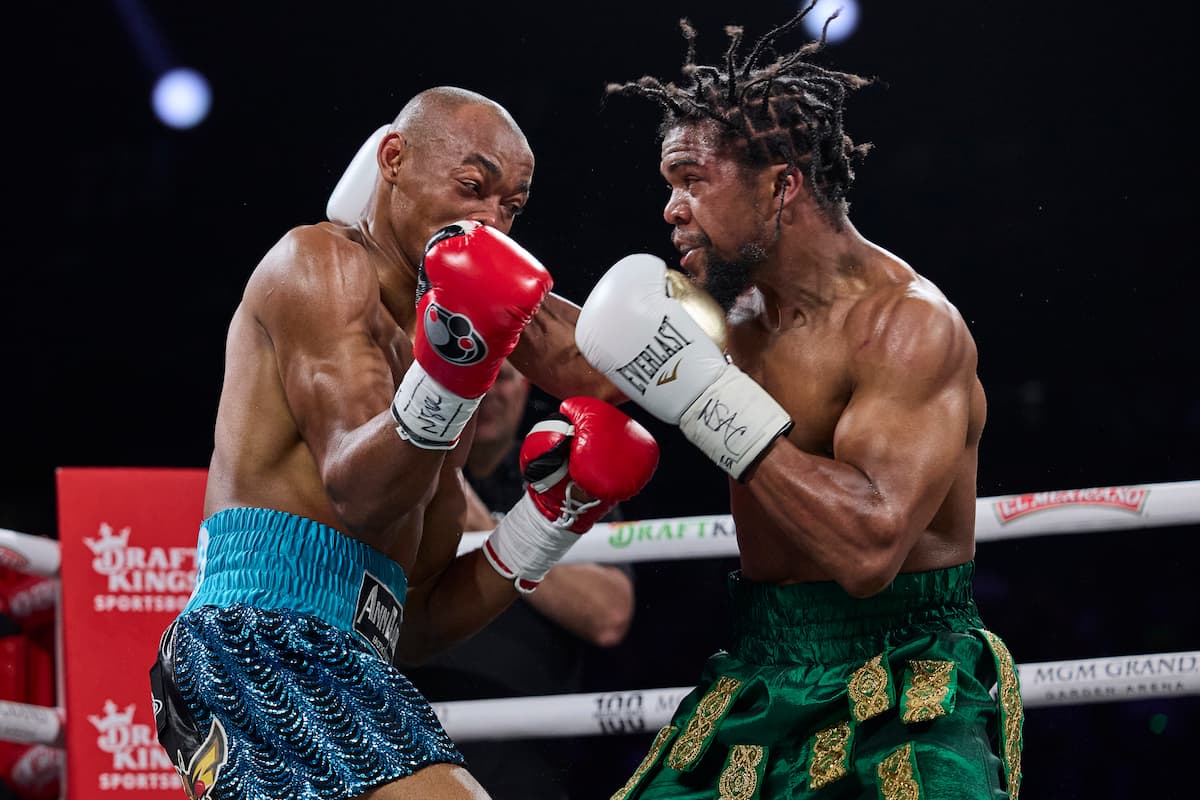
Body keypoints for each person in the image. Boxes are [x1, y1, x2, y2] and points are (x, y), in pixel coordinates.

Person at [148, 86, 660, 800]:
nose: (491, 220)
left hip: (350, 664)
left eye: (511, 206)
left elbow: (411, 623)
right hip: (255, 644)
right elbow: (357, 491)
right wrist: (456, 371)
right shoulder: (319, 265)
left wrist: (541, 524)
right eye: (472, 187)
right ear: (394, 159)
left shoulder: (445, 367)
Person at [576, 10, 1024, 799]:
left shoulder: (906, 327)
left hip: (909, 668)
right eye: (669, 185)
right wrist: (450, 255)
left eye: (693, 180)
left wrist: (712, 399)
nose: (671, 209)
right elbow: (588, 350)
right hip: (761, 665)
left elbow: (867, 549)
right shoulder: (732, 312)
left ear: (782, 183)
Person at [407, 358, 635, 799]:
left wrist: (491, 532)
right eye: (482, 379)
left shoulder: (565, 474)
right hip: (414, 727)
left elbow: (609, 614)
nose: (491, 394)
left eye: (504, 378)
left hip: (530, 752)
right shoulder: (415, 476)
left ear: (527, 387)